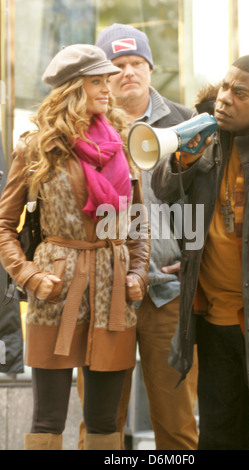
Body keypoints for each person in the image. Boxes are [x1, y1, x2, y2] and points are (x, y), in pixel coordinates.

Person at [0, 44, 150, 450]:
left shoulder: (123, 141)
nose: (109, 87)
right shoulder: (36, 148)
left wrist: (138, 273)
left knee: (103, 419)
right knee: (47, 418)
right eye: (97, 81)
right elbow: (3, 226)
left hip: (113, 292)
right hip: (56, 289)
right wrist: (29, 275)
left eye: (108, 80)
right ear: (71, 89)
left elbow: (137, 224)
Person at [151, 53, 249, 450]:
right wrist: (183, 157)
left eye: (240, 92)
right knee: (220, 439)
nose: (224, 98)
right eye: (223, 86)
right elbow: (162, 188)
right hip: (215, 325)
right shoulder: (208, 136)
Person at [79, 23, 198, 451]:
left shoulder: (186, 123)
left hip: (168, 293)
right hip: (104, 293)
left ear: (150, 68)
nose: (127, 72)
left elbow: (208, 199)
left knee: (177, 424)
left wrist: (196, 256)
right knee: (99, 424)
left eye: (136, 63)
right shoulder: (82, 126)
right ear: (101, 76)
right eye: (116, 65)